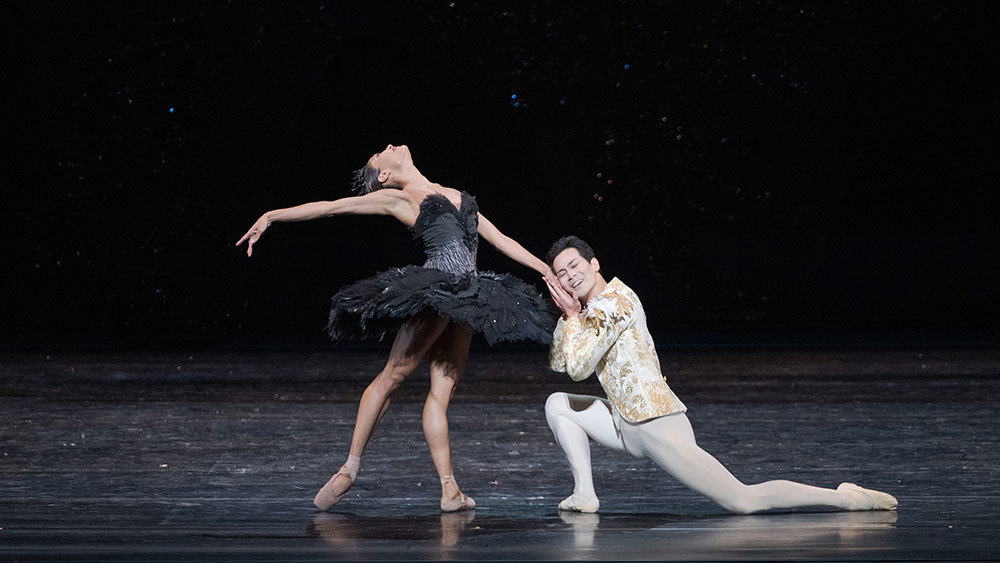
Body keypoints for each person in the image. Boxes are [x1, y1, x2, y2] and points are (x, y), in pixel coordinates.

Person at [236, 144, 554, 512]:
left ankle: (449, 490)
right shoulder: (398, 198)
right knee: (395, 374)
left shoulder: (457, 196)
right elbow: (331, 207)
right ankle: (349, 468)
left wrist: (545, 270)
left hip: (468, 297)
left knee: (440, 395)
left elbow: (501, 240)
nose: (387, 146)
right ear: (385, 174)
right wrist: (271, 215)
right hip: (437, 291)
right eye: (379, 154)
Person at [542, 235, 897, 514]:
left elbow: (578, 368)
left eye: (574, 266)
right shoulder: (588, 312)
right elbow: (561, 363)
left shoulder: (615, 303)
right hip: (624, 422)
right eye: (561, 273)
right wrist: (568, 318)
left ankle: (846, 498)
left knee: (742, 500)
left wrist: (573, 319)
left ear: (594, 263)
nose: (570, 276)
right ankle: (584, 495)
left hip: (655, 424)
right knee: (557, 404)